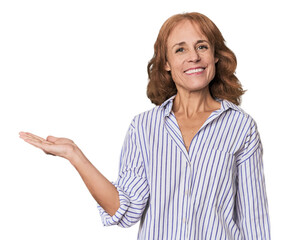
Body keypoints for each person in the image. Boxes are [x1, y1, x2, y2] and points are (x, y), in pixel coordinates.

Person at [19, 12, 271, 240]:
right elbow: (125, 210)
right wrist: (75, 155)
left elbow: (253, 218)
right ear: (166, 63)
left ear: (215, 56)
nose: (194, 56)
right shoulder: (144, 127)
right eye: (180, 50)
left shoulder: (240, 126)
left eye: (201, 46)